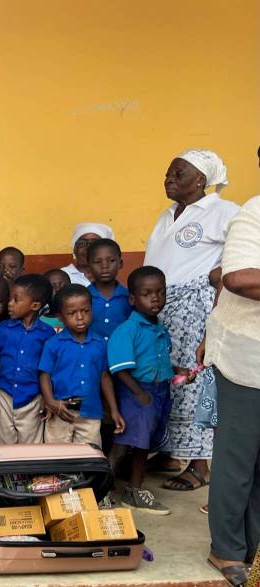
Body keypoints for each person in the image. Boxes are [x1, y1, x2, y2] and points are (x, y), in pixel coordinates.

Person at [144, 149, 240, 494]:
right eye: (169, 172)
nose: (169, 179)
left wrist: (221, 273)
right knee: (167, 380)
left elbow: (246, 249)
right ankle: (172, 453)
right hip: (161, 307)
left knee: (193, 380)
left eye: (178, 174)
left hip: (194, 307)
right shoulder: (167, 214)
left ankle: (200, 465)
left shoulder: (224, 211)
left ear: (201, 179)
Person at [202, 191, 260, 587]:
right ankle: (226, 548)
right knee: (238, 461)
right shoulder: (253, 214)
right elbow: (236, 277)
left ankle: (252, 545)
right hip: (247, 357)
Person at [107, 266, 173, 514]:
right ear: (133, 299)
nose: (155, 298)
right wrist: (139, 394)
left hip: (158, 392)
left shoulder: (159, 326)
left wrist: (177, 371)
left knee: (143, 444)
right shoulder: (128, 330)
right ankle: (102, 491)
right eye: (147, 294)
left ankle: (134, 490)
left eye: (160, 292)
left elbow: (159, 359)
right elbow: (120, 369)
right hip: (137, 393)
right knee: (122, 444)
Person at [40, 285, 124, 446]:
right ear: (61, 317)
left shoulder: (99, 343)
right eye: (72, 313)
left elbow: (104, 377)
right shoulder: (53, 344)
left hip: (90, 412)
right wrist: (51, 402)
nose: (80, 317)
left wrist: (113, 409)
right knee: (56, 455)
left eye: (85, 311)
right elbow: (44, 375)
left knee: (89, 456)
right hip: (60, 411)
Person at [0, 274, 55, 445]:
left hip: (33, 399)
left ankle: (28, 474)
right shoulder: (2, 330)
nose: (9, 304)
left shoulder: (47, 334)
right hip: (3, 396)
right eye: (9, 298)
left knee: (30, 449)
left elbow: (49, 370)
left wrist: (49, 400)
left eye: (16, 300)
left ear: (35, 305)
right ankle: (4, 474)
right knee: (2, 446)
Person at [86, 239, 130, 343]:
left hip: (121, 354)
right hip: (92, 356)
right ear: (88, 267)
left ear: (120, 264)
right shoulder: (83, 297)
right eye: (97, 262)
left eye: (111, 261)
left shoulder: (130, 297)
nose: (104, 266)